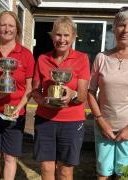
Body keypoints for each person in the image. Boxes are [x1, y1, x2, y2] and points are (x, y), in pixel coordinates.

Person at [32, 16, 90, 180]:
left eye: (66, 35)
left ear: (73, 37)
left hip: (72, 122)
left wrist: (73, 95)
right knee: (46, 167)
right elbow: (35, 91)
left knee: (65, 171)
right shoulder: (43, 59)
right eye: (58, 35)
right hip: (45, 119)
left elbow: (83, 95)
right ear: (52, 36)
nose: (62, 39)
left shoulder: (82, 58)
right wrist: (42, 101)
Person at [0, 11, 35, 180]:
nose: (7, 29)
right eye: (3, 25)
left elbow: (29, 88)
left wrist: (19, 108)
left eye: (11, 25)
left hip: (15, 113)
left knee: (10, 157)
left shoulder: (26, 55)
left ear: (17, 29)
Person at [88, 7, 128, 180]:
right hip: (104, 127)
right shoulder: (101, 58)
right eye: (121, 25)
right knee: (103, 173)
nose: (125, 30)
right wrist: (100, 121)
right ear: (114, 28)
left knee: (123, 175)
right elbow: (90, 92)